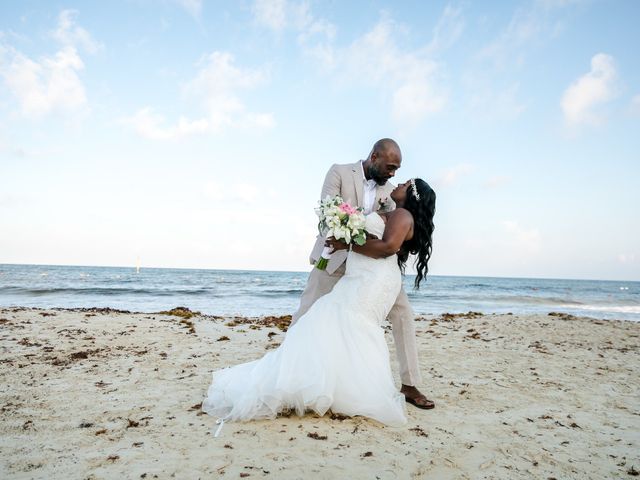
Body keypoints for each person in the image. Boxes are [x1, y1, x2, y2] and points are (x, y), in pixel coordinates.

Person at [202, 177, 436, 428]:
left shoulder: (401, 213)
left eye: (404, 183)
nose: (397, 182)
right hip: (363, 274)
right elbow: (372, 233)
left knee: (346, 319)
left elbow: (388, 246)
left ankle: (318, 379)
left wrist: (346, 243)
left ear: (411, 194)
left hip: (372, 278)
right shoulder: (383, 202)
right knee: (340, 321)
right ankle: (338, 383)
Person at [293, 139, 434, 409]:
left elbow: (396, 233)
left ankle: (410, 384)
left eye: (397, 169)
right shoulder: (340, 172)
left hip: (375, 269)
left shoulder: (393, 193)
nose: (394, 174)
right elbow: (327, 215)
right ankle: (288, 368)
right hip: (335, 257)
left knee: (403, 314)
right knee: (308, 311)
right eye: (391, 167)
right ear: (374, 156)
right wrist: (346, 237)